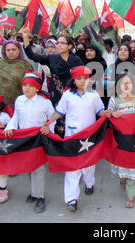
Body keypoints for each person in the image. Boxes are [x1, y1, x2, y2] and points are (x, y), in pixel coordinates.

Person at [41, 66, 106, 212]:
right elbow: (59, 112)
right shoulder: (67, 96)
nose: (82, 81)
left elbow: (99, 111)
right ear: (73, 80)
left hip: (89, 136)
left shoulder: (93, 95)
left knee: (89, 165)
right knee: (72, 168)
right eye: (79, 79)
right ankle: (71, 199)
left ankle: (89, 183)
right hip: (71, 136)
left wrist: (106, 114)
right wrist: (49, 122)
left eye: (85, 78)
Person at [4, 71, 55, 212]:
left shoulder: (45, 102)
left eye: (30, 86)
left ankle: (40, 197)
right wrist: (10, 126)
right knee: (28, 167)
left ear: (37, 88)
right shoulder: (19, 100)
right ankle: (33, 192)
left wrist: (49, 130)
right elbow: (16, 116)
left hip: (38, 139)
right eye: (24, 85)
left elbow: (52, 119)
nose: (26, 88)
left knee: (38, 168)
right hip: (24, 139)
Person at [106, 74, 135, 208]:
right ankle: (122, 179)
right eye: (123, 83)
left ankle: (131, 195)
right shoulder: (114, 99)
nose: (127, 86)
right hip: (120, 139)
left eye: (129, 83)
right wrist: (112, 114)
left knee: (133, 165)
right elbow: (108, 114)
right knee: (121, 165)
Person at [23, 32, 83, 108]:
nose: (59, 45)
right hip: (56, 93)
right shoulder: (52, 59)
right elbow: (32, 56)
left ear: (69, 46)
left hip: (73, 92)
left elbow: (82, 76)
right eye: (58, 43)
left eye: (62, 43)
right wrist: (25, 37)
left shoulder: (76, 60)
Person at [0, 40, 33, 109]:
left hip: (20, 102)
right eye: (8, 50)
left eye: (14, 49)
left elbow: (32, 84)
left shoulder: (25, 65)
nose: (11, 52)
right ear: (4, 51)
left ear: (19, 50)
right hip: (0, 103)